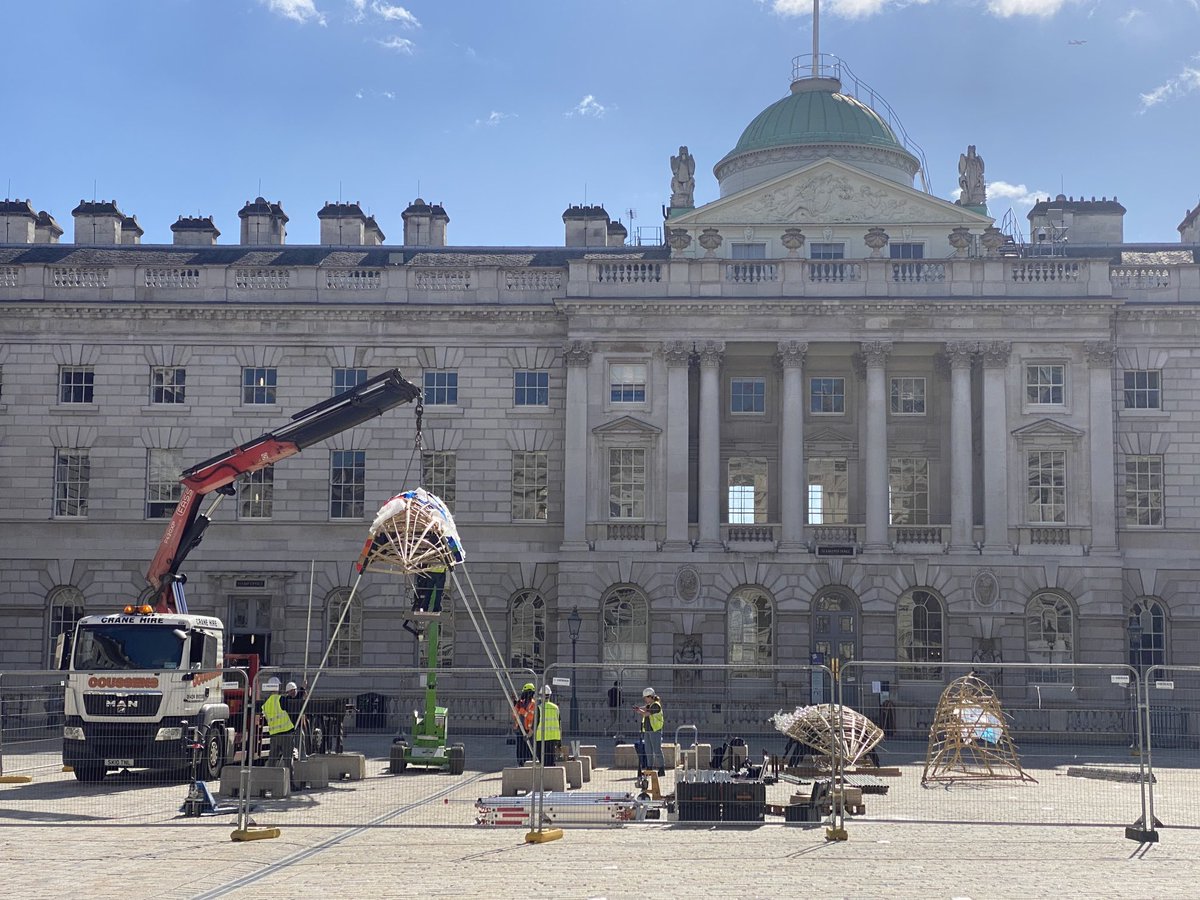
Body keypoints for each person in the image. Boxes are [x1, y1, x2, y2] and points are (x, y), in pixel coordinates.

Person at [263, 678, 301, 787]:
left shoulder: (266, 703)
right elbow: (294, 706)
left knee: (272, 761)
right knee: (288, 760)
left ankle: (267, 784)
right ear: (278, 687)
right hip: (286, 734)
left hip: (274, 735)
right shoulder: (282, 700)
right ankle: (290, 785)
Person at [635, 686, 665, 777]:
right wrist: (638, 708)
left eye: (646, 697)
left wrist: (640, 711)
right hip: (648, 730)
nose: (645, 699)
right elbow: (645, 708)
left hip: (655, 730)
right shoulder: (650, 705)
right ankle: (649, 768)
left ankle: (661, 769)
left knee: (657, 750)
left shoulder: (656, 705)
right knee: (648, 750)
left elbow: (647, 713)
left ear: (650, 696)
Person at [534, 684, 561, 766]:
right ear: (549, 695)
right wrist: (560, 742)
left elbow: (536, 723)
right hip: (553, 737)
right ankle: (551, 774)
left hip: (541, 737)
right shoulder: (555, 707)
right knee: (551, 759)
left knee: (542, 759)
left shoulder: (539, 708)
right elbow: (559, 724)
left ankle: (545, 775)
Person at [512, 682, 537, 765]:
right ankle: (520, 763)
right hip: (520, 730)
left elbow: (531, 717)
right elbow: (514, 715)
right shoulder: (520, 703)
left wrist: (523, 711)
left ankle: (528, 763)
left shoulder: (533, 704)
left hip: (528, 731)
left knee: (528, 749)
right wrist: (516, 705)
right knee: (520, 749)